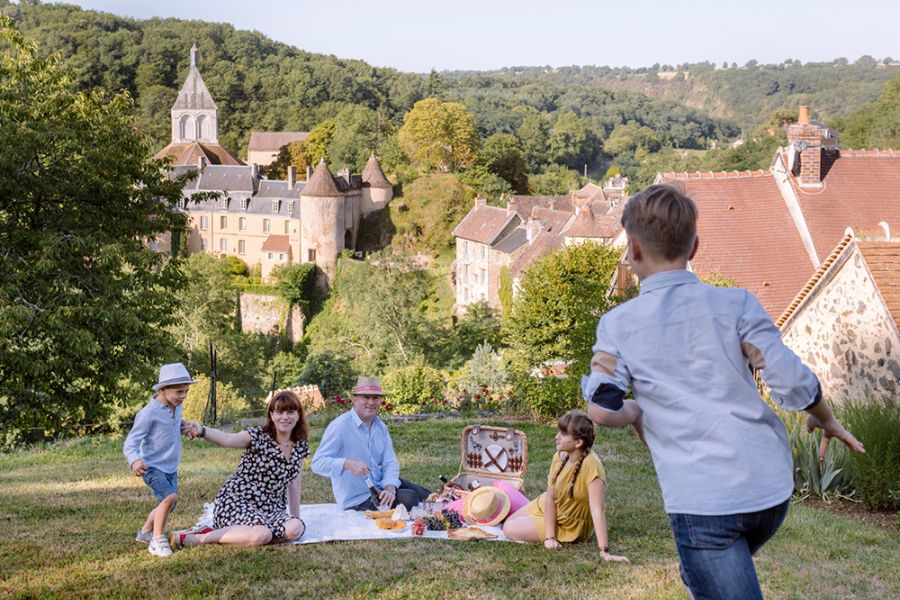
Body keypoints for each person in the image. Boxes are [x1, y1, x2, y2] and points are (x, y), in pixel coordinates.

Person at [582, 184, 865, 599]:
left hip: (704, 503)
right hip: (769, 490)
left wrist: (636, 411)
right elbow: (788, 376)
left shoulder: (618, 325)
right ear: (694, 247)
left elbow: (602, 409)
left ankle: (702, 569)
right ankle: (702, 572)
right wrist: (825, 418)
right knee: (711, 572)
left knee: (711, 561)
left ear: (634, 249)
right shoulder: (737, 305)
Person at [172, 389, 309, 549]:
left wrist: (295, 518)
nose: (285, 417)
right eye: (279, 412)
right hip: (237, 501)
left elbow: (294, 483)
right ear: (271, 415)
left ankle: (239, 534)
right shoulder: (257, 436)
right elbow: (227, 439)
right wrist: (201, 430)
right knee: (261, 534)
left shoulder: (300, 445)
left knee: (295, 529)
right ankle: (198, 538)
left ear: (298, 415)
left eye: (290, 412)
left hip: (271, 508)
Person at [502, 410, 629, 562]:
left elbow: (597, 510)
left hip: (568, 523)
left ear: (578, 442)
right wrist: (549, 536)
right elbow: (550, 497)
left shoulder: (592, 466)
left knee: (508, 529)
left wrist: (604, 551)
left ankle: (539, 523)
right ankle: (538, 520)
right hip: (550, 506)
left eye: (563, 434)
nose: (557, 437)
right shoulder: (559, 456)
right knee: (508, 521)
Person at [312, 376, 431, 511]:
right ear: (354, 400)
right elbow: (317, 464)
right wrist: (347, 464)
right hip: (358, 497)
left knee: (427, 494)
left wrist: (390, 487)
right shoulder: (340, 426)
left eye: (375, 398)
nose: (371, 402)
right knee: (410, 498)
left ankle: (454, 502)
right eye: (366, 397)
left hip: (380, 484)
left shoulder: (380, 426)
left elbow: (390, 461)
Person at [124, 362, 198, 557]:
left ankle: (145, 532)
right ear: (163, 390)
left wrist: (183, 426)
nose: (183, 397)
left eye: (186, 392)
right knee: (169, 498)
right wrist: (134, 460)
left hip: (170, 466)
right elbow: (131, 441)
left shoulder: (176, 406)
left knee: (169, 505)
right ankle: (157, 540)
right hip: (152, 466)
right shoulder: (148, 413)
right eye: (179, 392)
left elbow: (172, 424)